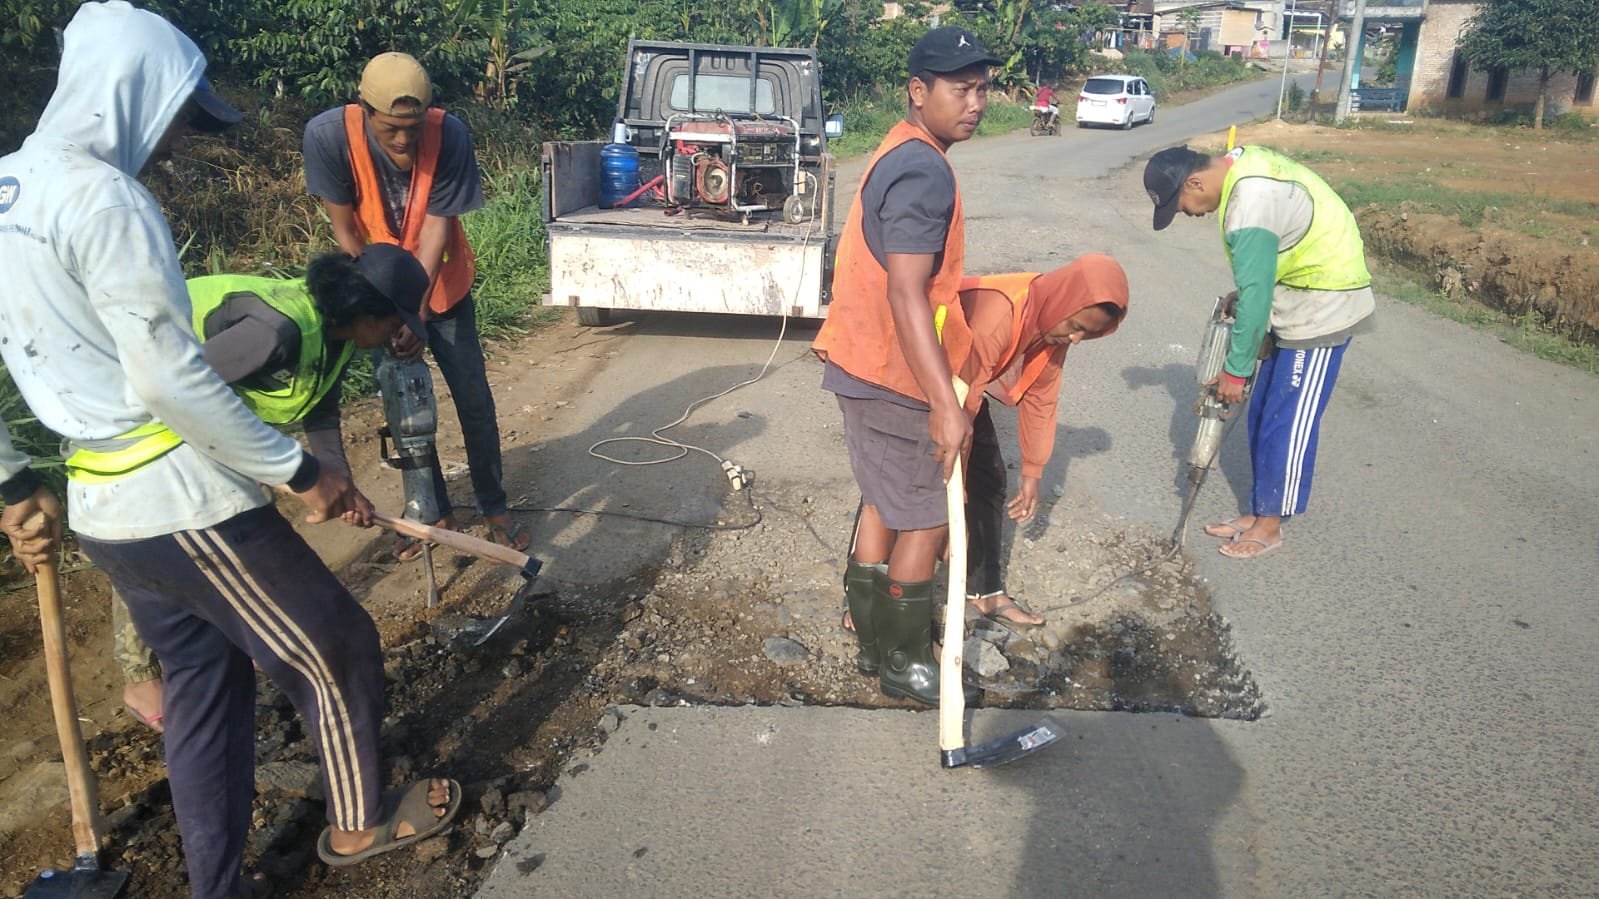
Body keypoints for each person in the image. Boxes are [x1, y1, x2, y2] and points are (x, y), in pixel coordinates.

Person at [0, 5, 457, 896]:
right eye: (173, 118)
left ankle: (218, 886)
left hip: (102, 509)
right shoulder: (105, 196)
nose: (171, 144)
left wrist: (14, 479)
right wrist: (297, 473)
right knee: (338, 645)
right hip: (175, 500)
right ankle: (360, 824)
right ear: (130, 92)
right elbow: (174, 380)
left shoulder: (10, 186)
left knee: (207, 689)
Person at [117, 244, 432, 732]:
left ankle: (227, 632)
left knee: (244, 521)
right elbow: (179, 393)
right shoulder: (274, 333)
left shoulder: (341, 335)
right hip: (149, 420)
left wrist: (337, 483)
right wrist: (283, 473)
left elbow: (320, 408)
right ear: (366, 310)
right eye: (395, 321)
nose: (398, 333)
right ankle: (139, 675)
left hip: (213, 419)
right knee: (165, 530)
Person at [812, 25, 998, 705]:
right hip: (892, 374)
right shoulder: (923, 168)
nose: (975, 102)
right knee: (923, 514)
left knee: (883, 501)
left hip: (861, 363)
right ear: (918, 91)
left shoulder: (898, 148)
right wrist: (945, 407)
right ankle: (904, 660)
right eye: (960, 88)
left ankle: (872, 643)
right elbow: (905, 290)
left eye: (982, 88)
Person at [302, 51, 529, 559]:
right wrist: (384, 313)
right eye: (390, 129)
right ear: (364, 110)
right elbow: (344, 232)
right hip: (375, 297)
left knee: (473, 401)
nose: (404, 139)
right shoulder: (328, 137)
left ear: (428, 112)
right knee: (406, 405)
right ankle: (431, 511)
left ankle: (494, 508)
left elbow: (435, 229)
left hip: (440, 286)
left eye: (412, 127)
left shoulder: (450, 135)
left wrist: (417, 313)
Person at [1143, 144, 1376, 559]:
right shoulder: (1238, 166)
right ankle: (1259, 511)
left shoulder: (1250, 202)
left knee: (1288, 418)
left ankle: (1270, 527)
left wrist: (1235, 370)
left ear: (1195, 182)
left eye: (1182, 205)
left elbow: (1256, 293)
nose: (1189, 214)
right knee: (1265, 411)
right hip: (1296, 292)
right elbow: (1265, 264)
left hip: (1324, 302)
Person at [959, 255, 1129, 627]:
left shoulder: (1052, 324)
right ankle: (866, 601)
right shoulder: (1002, 313)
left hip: (960, 387)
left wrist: (1033, 471)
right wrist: (952, 481)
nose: (1076, 338)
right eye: (1075, 327)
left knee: (987, 479)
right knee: (899, 486)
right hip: (915, 378)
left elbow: (1041, 395)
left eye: (1087, 333)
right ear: (1064, 299)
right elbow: (965, 401)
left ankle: (984, 592)